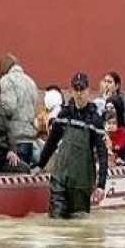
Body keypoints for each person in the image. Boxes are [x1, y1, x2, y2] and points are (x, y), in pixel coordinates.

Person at [33, 72, 108, 219]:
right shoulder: (63, 115)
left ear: (88, 91)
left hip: (82, 184)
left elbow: (102, 153)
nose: (79, 93)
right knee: (56, 221)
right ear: (71, 91)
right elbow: (51, 142)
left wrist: (101, 185)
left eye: (82, 89)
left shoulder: (96, 121)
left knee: (79, 225)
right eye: (76, 89)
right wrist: (40, 165)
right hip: (60, 178)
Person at [0, 53, 39, 165]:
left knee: (12, 178)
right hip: (29, 138)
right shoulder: (31, 81)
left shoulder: (6, 81)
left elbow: (8, 108)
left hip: (14, 139)